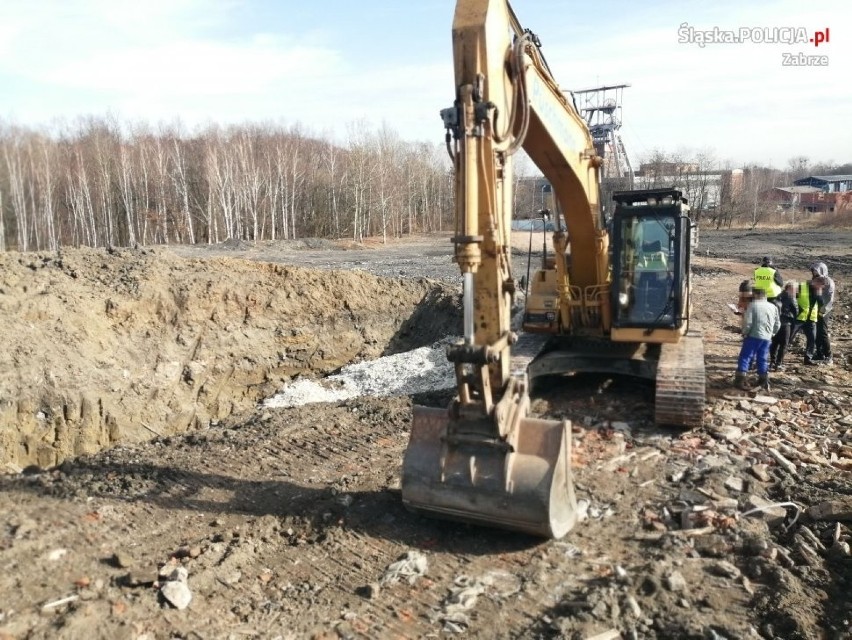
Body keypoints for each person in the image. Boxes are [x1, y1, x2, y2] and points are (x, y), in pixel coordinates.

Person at [735, 287, 780, 391]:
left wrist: (745, 333)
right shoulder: (773, 307)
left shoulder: (753, 305)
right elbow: (777, 324)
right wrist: (772, 333)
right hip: (767, 338)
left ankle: (739, 380)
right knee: (762, 358)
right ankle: (763, 380)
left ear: (755, 295)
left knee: (745, 357)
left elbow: (748, 322)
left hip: (753, 336)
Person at [790, 276, 822, 365]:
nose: (820, 287)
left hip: (811, 318)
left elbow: (821, 303)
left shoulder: (818, 291)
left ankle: (808, 358)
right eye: (819, 285)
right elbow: (792, 298)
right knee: (789, 337)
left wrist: (818, 295)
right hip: (799, 317)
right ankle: (778, 359)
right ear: (814, 282)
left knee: (812, 339)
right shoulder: (802, 286)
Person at [769, 280, 799, 371]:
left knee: (774, 343)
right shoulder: (791, 297)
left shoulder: (778, 296)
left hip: (776, 323)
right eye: (795, 289)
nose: (796, 291)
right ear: (791, 288)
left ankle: (772, 362)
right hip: (786, 323)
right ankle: (779, 363)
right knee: (784, 344)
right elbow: (796, 310)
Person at [810, 262, 836, 365]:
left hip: (824, 310)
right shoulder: (815, 280)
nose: (814, 273)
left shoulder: (829, 282)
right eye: (813, 271)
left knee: (823, 332)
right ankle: (819, 353)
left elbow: (829, 300)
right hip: (816, 309)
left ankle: (828, 355)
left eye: (816, 270)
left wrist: (822, 312)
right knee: (817, 332)